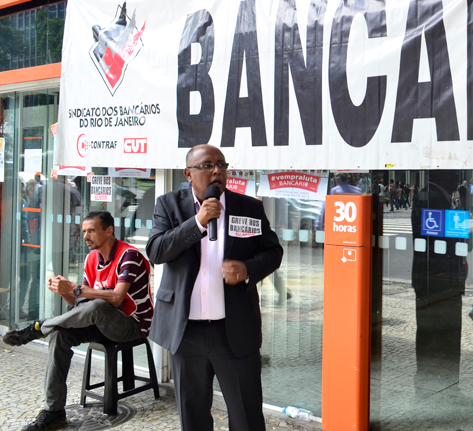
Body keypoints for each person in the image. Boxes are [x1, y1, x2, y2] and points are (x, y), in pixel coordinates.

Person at [147, 145, 283, 431]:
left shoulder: (249, 207)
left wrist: (247, 269)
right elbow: (156, 251)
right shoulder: (168, 204)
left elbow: (273, 252)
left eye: (221, 164)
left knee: (247, 416)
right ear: (188, 174)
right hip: (185, 332)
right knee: (193, 416)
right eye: (207, 165)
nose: (217, 171)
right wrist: (197, 222)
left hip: (234, 330)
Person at [3, 210, 153, 431]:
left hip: (132, 325)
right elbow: (81, 304)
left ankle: (41, 326)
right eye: (84, 231)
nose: (85, 236)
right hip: (100, 322)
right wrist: (65, 291)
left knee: (99, 305)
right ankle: (54, 413)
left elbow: (116, 298)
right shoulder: (91, 258)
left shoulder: (129, 255)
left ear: (109, 230)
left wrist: (75, 288)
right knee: (60, 334)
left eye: (91, 231)